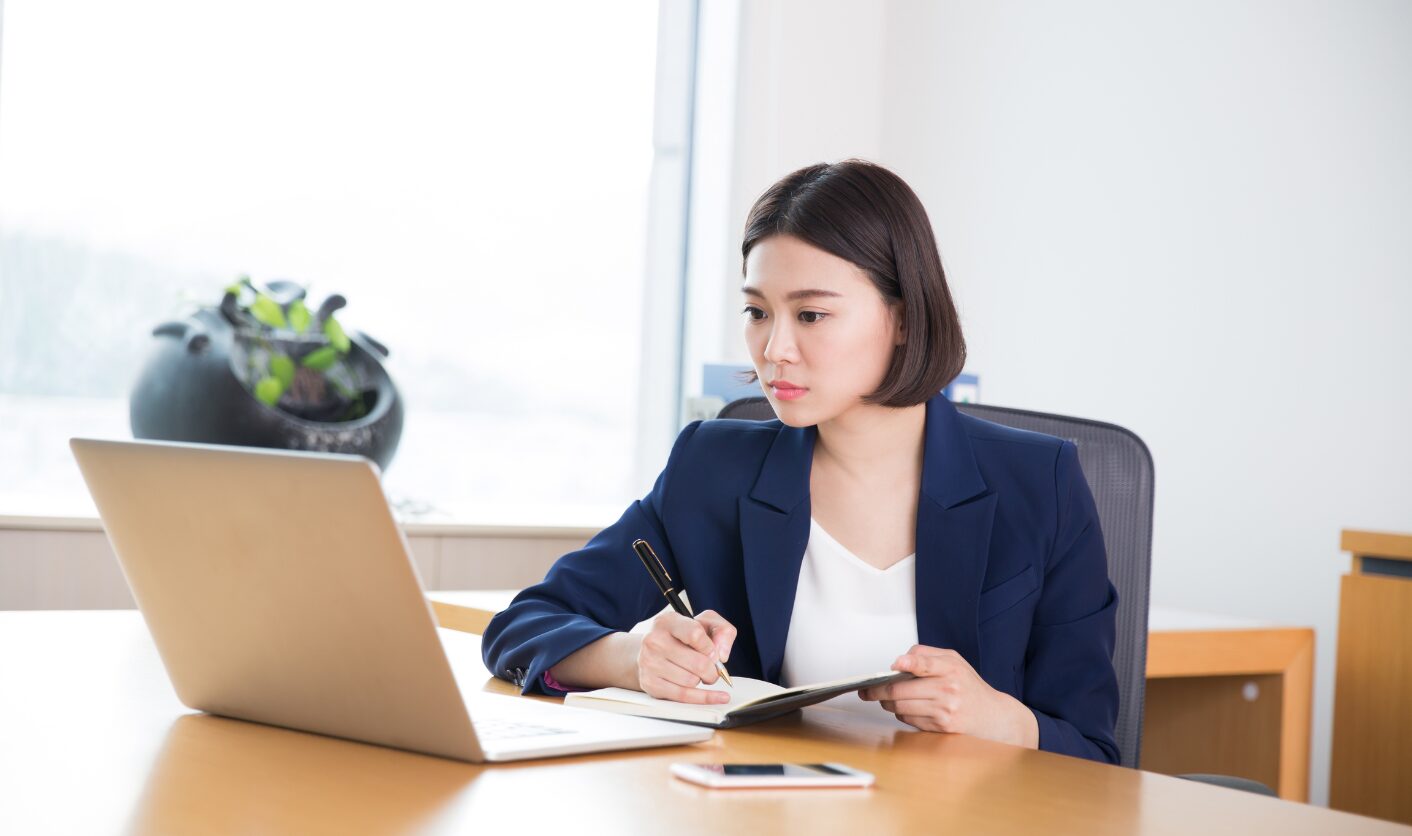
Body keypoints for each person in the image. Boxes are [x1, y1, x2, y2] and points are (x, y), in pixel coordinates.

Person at [482, 159, 1119, 763]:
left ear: (901, 317)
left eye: (811, 314)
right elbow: (522, 627)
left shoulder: (1042, 483)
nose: (775, 348)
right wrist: (633, 658)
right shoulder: (713, 465)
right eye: (757, 312)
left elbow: (1096, 750)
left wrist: (995, 717)